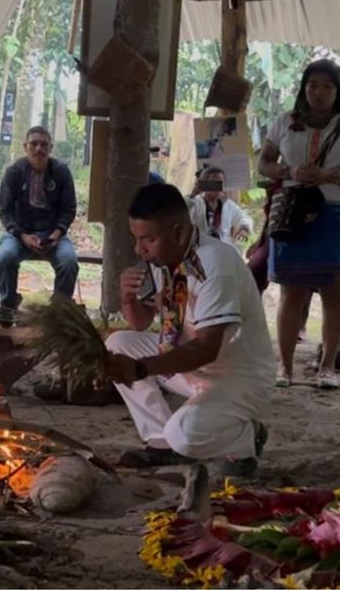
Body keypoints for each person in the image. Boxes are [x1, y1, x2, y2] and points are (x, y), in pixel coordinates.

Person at [102, 183, 272, 477]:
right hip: (192, 368)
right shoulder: (164, 257)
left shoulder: (216, 265)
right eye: (136, 239)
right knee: (118, 343)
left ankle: (246, 439)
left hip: (239, 376)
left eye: (148, 239)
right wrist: (128, 299)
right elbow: (140, 322)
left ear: (179, 232)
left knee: (184, 436)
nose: (139, 249)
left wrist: (140, 368)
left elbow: (206, 348)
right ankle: (160, 443)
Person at [257, 59, 340, 389]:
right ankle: (285, 367)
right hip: (293, 213)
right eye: (312, 85)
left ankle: (327, 367)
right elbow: (264, 162)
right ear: (303, 88)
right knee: (290, 292)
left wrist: (331, 175)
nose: (318, 92)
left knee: (335, 292)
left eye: (326, 86)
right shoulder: (285, 122)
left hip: (337, 214)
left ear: (338, 90)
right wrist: (289, 172)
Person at [0, 126, 79, 309]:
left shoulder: (61, 172)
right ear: (25, 147)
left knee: (68, 261)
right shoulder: (14, 172)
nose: (38, 149)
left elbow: (69, 209)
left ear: (51, 147)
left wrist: (55, 235)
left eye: (43, 144)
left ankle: (60, 309)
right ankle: (8, 305)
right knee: (6, 257)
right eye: (33, 144)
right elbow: (5, 211)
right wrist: (22, 235)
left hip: (52, 234)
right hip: (20, 234)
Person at [188, 166, 253, 245]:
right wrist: (193, 194)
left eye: (220, 183)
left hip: (224, 247)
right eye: (213, 183)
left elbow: (243, 218)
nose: (218, 187)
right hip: (202, 247)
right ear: (205, 184)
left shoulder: (228, 205)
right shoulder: (196, 203)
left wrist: (244, 229)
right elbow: (184, 212)